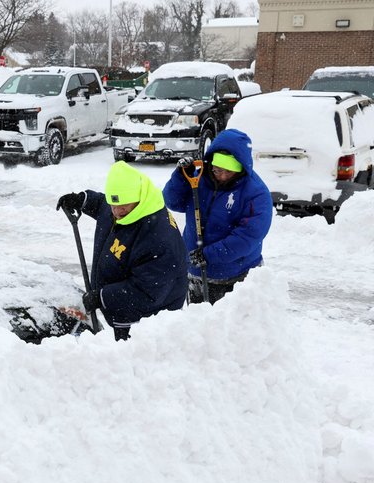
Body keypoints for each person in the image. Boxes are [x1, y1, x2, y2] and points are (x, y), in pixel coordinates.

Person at [57, 160, 189, 341]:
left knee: (133, 365)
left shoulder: (158, 237)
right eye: (114, 205)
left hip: (148, 322)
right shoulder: (128, 206)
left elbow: (146, 291)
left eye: (123, 207)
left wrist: (101, 297)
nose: (117, 212)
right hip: (123, 310)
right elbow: (104, 206)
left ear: (139, 199)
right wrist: (83, 200)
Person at [163, 128, 272, 304]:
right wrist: (180, 177)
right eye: (217, 170)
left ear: (241, 169)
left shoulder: (256, 193)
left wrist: (209, 255)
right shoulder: (199, 177)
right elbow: (172, 202)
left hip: (236, 276)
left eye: (227, 172)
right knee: (196, 326)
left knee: (232, 329)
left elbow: (247, 237)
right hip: (195, 272)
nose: (221, 176)